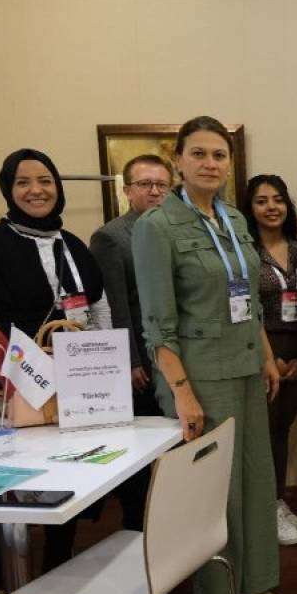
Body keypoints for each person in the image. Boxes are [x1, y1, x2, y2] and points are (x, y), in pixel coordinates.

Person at [132, 116, 280, 594]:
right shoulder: (156, 227)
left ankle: (255, 578)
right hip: (201, 374)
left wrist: (266, 356)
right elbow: (157, 325)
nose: (210, 163)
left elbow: (250, 301)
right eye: (198, 153)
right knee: (218, 488)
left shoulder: (234, 219)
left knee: (255, 479)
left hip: (246, 365)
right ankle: (217, 593)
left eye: (219, 155)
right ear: (178, 160)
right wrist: (181, 391)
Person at [0, 148, 111, 594]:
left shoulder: (74, 246)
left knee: (70, 474)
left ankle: (59, 565)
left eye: (45, 180)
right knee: (9, 477)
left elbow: (99, 309)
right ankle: (4, 580)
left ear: (57, 186)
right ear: (8, 189)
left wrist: (105, 365)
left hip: (72, 383)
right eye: (23, 182)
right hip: (12, 381)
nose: (36, 190)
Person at [242, 174, 297, 546]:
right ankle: (264, 508)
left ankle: (276, 499)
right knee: (262, 434)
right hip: (261, 353)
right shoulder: (245, 254)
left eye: (278, 199)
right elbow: (244, 311)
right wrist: (268, 359)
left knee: (281, 431)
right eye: (261, 201)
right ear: (249, 208)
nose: (271, 207)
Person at [90, 154, 173, 417]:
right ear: (127, 191)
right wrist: (129, 360)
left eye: (162, 185)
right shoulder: (110, 237)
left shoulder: (176, 232)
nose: (155, 191)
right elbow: (116, 305)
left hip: (178, 348)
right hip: (142, 355)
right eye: (145, 184)